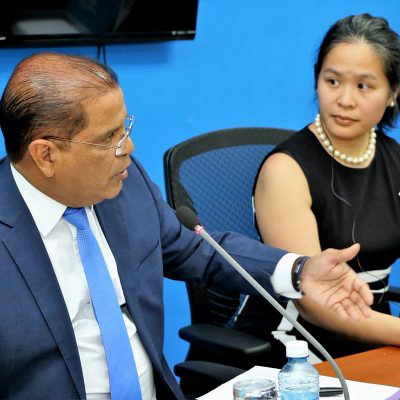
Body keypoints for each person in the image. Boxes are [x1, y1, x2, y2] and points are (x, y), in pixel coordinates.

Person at [0, 52, 372, 400]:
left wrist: (299, 271)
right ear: (46, 155)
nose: (128, 147)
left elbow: (192, 248)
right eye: (108, 138)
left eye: (124, 128)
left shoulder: (124, 184)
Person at [246, 13, 400, 363]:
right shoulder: (285, 169)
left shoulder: (395, 160)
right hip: (295, 347)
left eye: (363, 86)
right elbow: (314, 304)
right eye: (332, 81)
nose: (345, 99)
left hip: (376, 339)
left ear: (392, 93)